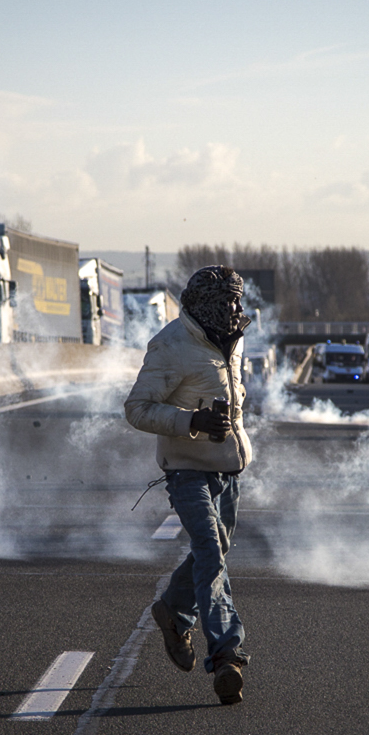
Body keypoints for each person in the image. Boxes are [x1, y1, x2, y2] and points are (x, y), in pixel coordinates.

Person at [124, 265, 253, 706]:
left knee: (210, 551)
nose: (236, 309)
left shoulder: (233, 338)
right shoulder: (171, 345)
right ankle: (226, 656)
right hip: (185, 470)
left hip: (229, 469)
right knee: (211, 550)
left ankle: (173, 614)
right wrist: (192, 421)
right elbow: (137, 409)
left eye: (238, 300)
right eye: (228, 302)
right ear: (204, 305)